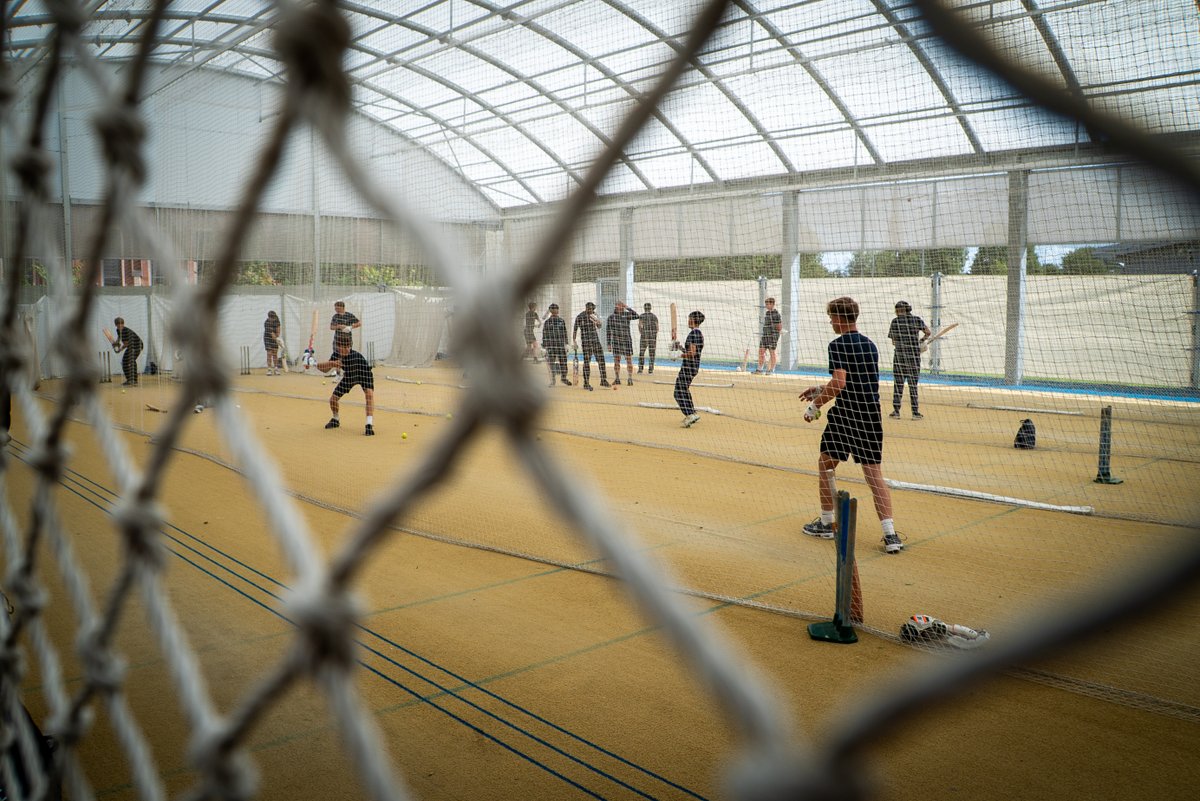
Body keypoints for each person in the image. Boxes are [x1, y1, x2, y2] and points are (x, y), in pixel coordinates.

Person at [800, 296, 904, 554]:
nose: (830, 323)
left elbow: (840, 383)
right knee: (874, 475)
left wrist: (816, 405)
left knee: (826, 464)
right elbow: (855, 383)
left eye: (830, 318)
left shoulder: (837, 344)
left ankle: (826, 522)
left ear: (837, 318)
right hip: (870, 414)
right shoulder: (870, 345)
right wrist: (820, 389)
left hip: (846, 415)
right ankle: (891, 535)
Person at [316, 331, 376, 436]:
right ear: (338, 347)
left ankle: (369, 425)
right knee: (333, 399)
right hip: (349, 376)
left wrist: (336, 364)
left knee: (369, 395)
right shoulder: (336, 355)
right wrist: (330, 363)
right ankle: (335, 419)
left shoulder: (354, 356)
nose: (348, 349)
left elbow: (351, 373)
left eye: (349, 346)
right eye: (344, 346)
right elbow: (323, 370)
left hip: (364, 373)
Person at [887, 300, 931, 419]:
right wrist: (920, 342)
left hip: (900, 357)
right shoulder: (916, 320)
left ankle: (896, 411)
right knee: (913, 385)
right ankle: (915, 412)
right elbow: (928, 332)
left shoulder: (895, 322)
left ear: (899, 310)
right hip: (913, 358)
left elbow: (893, 342)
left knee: (898, 385)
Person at [675, 310, 705, 428]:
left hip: (689, 366)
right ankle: (692, 412)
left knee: (678, 392)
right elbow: (692, 351)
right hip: (693, 366)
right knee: (684, 389)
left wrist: (678, 355)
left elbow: (692, 353)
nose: (688, 320)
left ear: (693, 320)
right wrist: (681, 348)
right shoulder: (698, 333)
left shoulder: (694, 334)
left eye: (689, 318)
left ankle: (689, 414)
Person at [572, 302, 608, 391]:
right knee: (587, 361)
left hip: (595, 341)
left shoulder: (594, 316)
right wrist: (574, 341)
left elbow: (599, 327)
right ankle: (586, 383)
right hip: (586, 342)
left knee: (601, 360)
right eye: (589, 309)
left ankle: (603, 380)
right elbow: (575, 329)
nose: (591, 311)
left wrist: (598, 322)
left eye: (592, 309)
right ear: (586, 308)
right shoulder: (580, 316)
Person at [606, 300, 640, 385]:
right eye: (617, 305)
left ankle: (630, 378)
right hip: (616, 341)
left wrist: (627, 307)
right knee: (616, 361)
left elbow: (637, 316)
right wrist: (609, 344)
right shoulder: (611, 317)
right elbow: (608, 331)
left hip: (627, 341)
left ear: (622, 306)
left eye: (620, 305)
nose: (618, 307)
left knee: (629, 360)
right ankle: (617, 378)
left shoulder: (627, 315)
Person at [541, 303, 571, 386]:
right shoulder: (547, 322)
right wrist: (543, 346)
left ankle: (563, 378)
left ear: (558, 310)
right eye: (553, 309)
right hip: (551, 346)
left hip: (561, 345)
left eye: (556, 309)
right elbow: (544, 334)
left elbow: (564, 333)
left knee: (563, 362)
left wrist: (567, 344)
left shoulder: (561, 321)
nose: (555, 310)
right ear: (550, 311)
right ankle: (553, 381)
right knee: (551, 363)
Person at [328, 301, 361, 375]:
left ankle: (347, 372)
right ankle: (338, 374)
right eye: (335, 308)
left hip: (347, 340)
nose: (336, 309)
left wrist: (350, 327)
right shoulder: (335, 316)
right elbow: (331, 327)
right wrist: (338, 326)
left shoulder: (349, 315)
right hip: (337, 340)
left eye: (337, 308)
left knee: (347, 356)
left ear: (342, 307)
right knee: (337, 356)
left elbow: (359, 323)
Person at [754, 297, 782, 374]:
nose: (766, 305)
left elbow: (779, 327)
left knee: (772, 352)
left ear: (772, 304)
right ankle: (759, 369)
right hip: (765, 335)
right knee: (761, 351)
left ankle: (771, 369)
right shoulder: (767, 313)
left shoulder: (776, 314)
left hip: (772, 336)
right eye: (766, 304)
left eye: (768, 304)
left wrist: (774, 331)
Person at [112, 317, 143, 386]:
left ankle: (132, 380)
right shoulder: (118, 330)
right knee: (127, 361)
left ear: (123, 324)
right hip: (131, 346)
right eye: (118, 324)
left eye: (121, 324)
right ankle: (131, 380)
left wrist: (119, 350)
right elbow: (119, 337)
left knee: (128, 361)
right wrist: (116, 343)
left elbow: (126, 343)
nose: (120, 325)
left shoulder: (125, 331)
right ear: (116, 325)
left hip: (137, 346)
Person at [637, 303, 659, 375]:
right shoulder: (654, 316)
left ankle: (640, 370)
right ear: (650, 308)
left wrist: (642, 332)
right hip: (652, 337)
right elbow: (657, 327)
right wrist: (654, 334)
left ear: (644, 308)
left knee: (642, 353)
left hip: (644, 336)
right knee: (652, 353)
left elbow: (640, 325)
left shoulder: (642, 316)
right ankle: (650, 370)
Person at [263, 310, 282, 375]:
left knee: (275, 353)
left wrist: (280, 341)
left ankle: (276, 368)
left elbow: (278, 333)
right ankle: (269, 369)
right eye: (270, 318)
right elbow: (272, 335)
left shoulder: (277, 321)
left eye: (272, 318)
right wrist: (276, 338)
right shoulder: (266, 322)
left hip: (275, 338)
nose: (271, 319)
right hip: (267, 338)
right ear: (268, 317)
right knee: (269, 353)